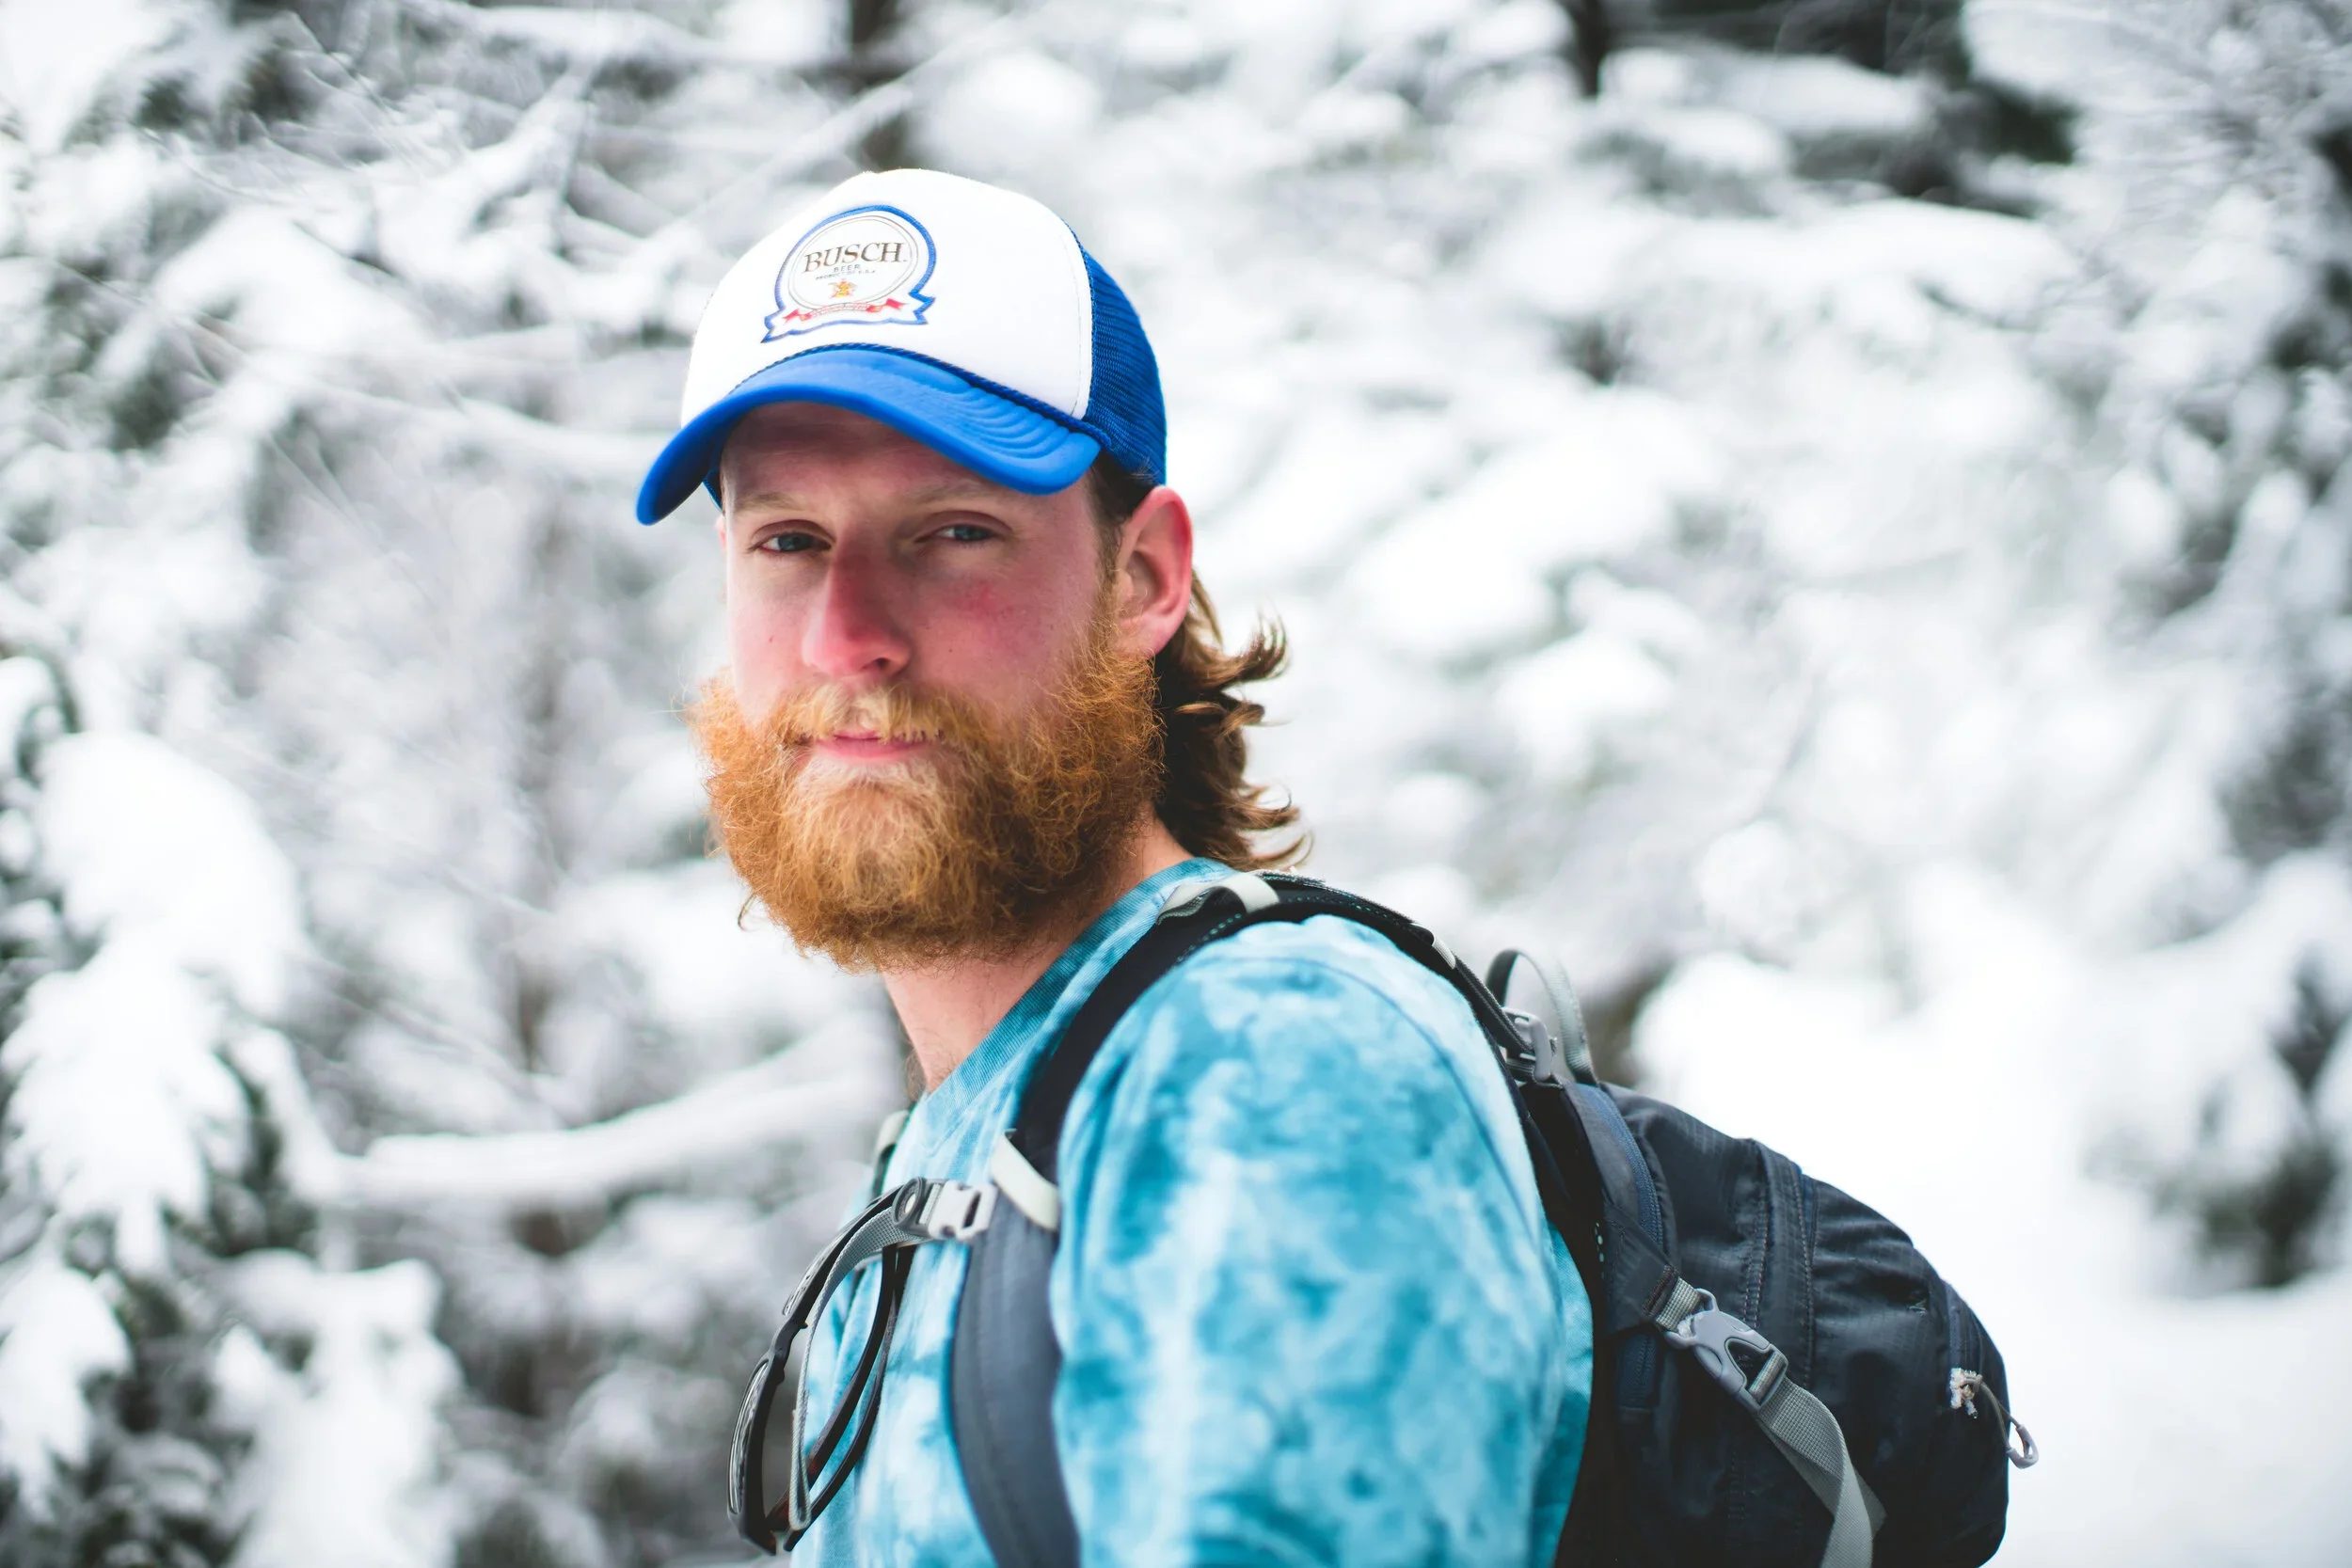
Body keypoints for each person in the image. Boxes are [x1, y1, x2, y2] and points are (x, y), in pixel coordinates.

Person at [635, 167, 1594, 1567]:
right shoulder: (980, 1132)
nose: (849, 635)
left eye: (953, 531)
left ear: (1141, 577)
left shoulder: (1264, 1069)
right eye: (787, 540)